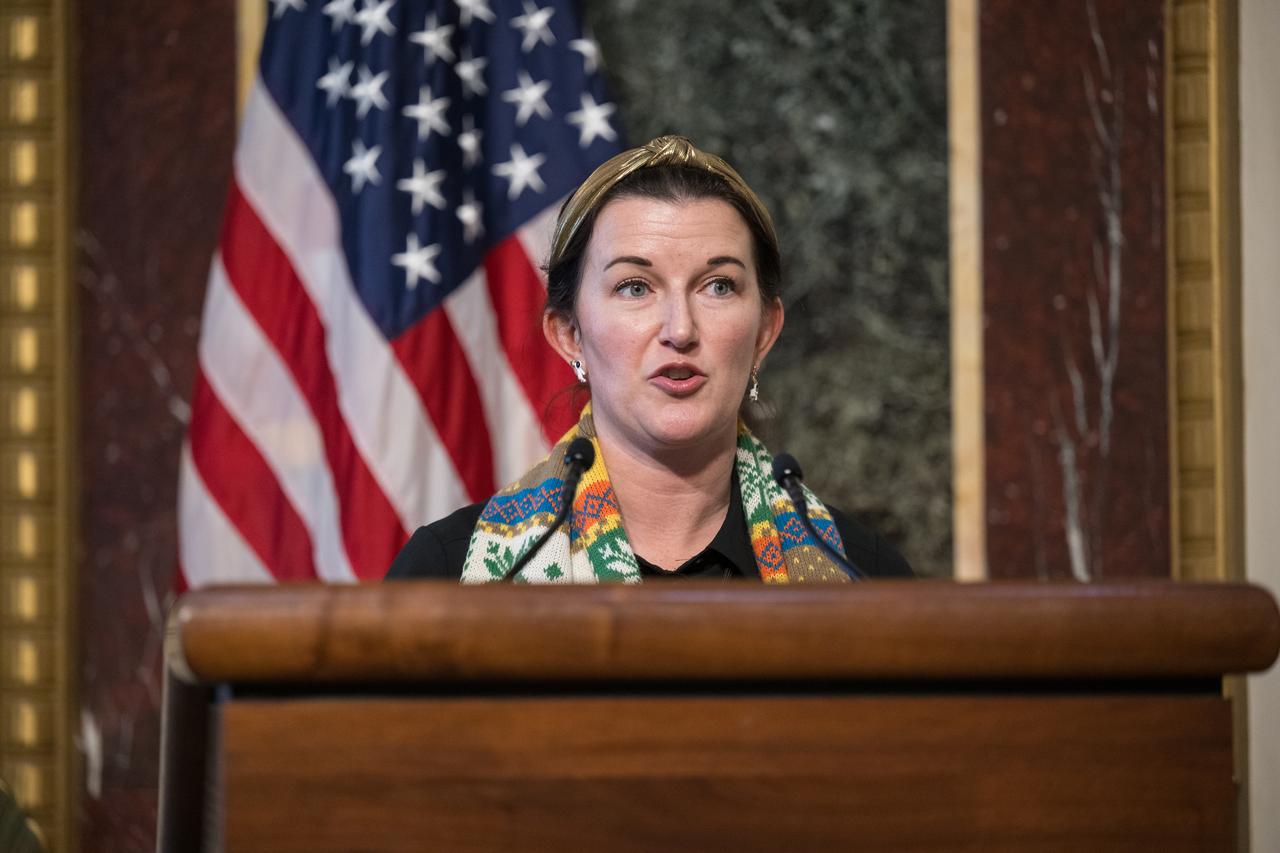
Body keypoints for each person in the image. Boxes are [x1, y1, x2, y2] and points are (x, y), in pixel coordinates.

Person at [387, 135, 912, 582]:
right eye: (635, 287)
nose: (680, 330)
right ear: (569, 335)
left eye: (719, 286)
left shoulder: (861, 575)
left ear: (764, 332)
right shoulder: (450, 572)